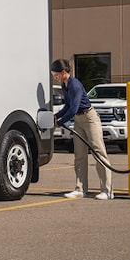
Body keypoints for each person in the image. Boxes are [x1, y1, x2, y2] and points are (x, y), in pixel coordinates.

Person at [51, 59, 114, 200]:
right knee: (79, 155)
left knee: (98, 152)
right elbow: (68, 106)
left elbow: (74, 108)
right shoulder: (64, 85)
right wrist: (55, 116)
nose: (55, 77)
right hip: (78, 120)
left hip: (90, 118)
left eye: (56, 75)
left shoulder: (74, 85)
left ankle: (107, 190)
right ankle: (80, 189)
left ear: (63, 72)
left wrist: (60, 122)